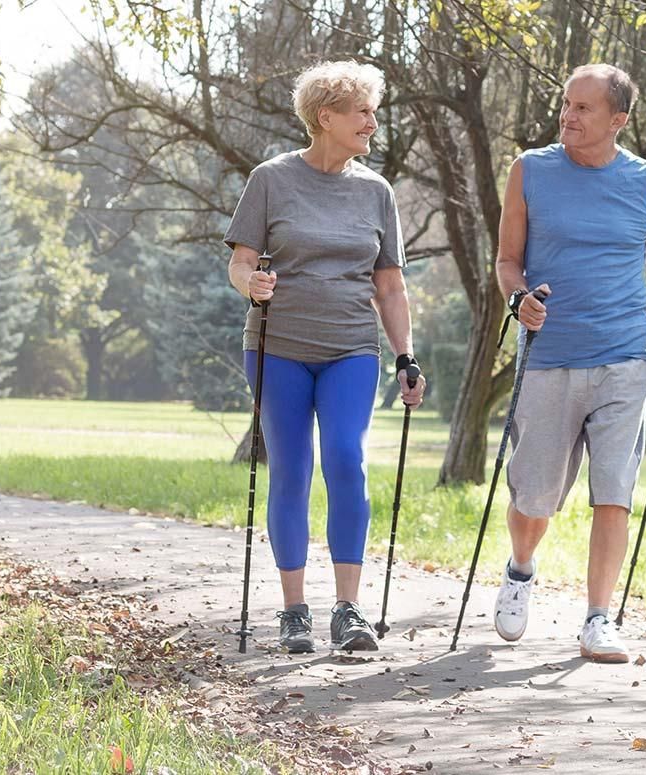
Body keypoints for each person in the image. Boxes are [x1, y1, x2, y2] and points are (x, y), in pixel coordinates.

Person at [489, 63, 646, 663]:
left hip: (624, 358)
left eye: (584, 108)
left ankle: (598, 618)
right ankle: (521, 566)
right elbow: (508, 262)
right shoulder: (529, 171)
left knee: (613, 492)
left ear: (619, 120)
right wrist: (518, 300)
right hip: (549, 357)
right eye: (566, 104)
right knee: (534, 501)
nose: (569, 116)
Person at [224, 60, 421, 654]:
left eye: (372, 110)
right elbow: (240, 261)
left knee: (344, 459)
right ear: (325, 116)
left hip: (350, 347)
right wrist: (249, 285)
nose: (372, 120)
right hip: (276, 346)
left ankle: (348, 608)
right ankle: (292, 611)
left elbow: (390, 286)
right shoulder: (271, 179)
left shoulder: (375, 190)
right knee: (290, 468)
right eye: (361, 110)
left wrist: (407, 356)